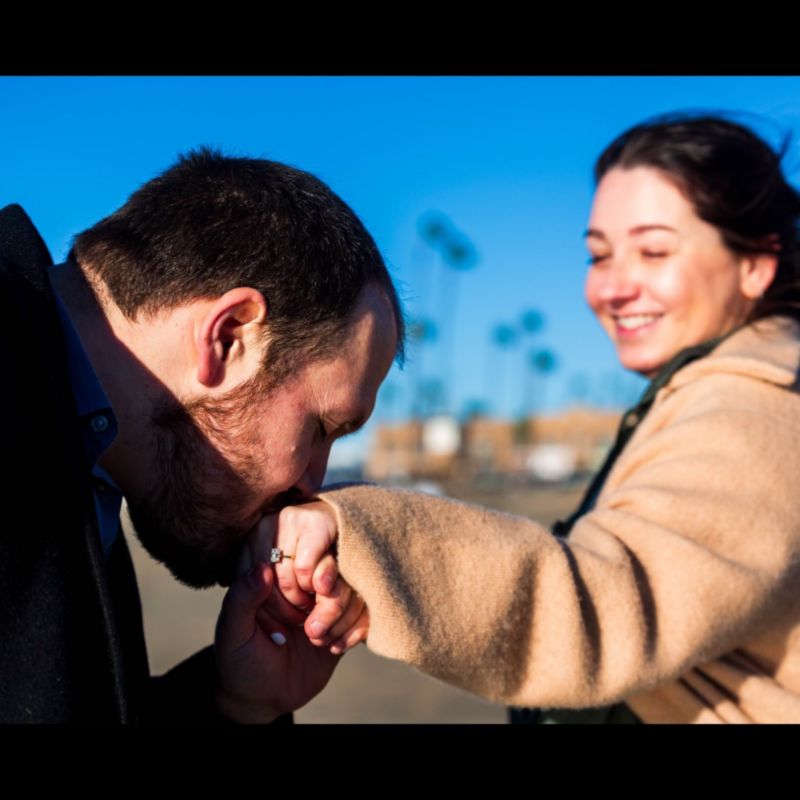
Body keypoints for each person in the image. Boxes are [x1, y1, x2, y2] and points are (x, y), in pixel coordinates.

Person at [260, 113, 800, 723]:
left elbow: (609, 609)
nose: (613, 288)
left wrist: (360, 537)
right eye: (600, 255)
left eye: (654, 251)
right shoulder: (720, 390)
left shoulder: (757, 407)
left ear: (756, 264)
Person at [0, 147, 403, 723]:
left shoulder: (92, 463)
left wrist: (232, 704)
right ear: (229, 337)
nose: (311, 483)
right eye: (322, 427)